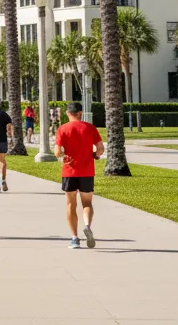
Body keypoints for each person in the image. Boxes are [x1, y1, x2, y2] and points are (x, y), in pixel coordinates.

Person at [54, 101, 104, 249]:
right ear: (80, 113)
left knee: (71, 204)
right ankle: (87, 226)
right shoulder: (90, 128)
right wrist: (94, 154)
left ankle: (74, 238)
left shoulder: (63, 129)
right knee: (87, 203)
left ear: (68, 113)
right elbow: (100, 148)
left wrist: (63, 156)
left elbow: (57, 152)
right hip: (87, 171)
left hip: (69, 171)